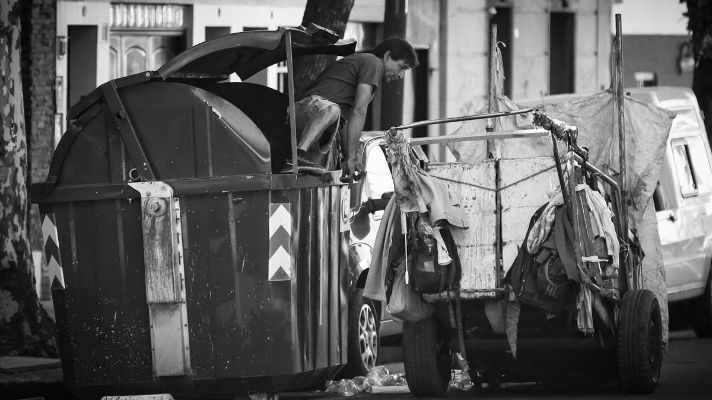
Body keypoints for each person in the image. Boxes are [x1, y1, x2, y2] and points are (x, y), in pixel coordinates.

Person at [282, 37, 419, 181]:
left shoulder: (365, 75)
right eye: (402, 67)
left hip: (319, 122)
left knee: (318, 179)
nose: (401, 76)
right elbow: (359, 111)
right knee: (333, 110)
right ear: (387, 56)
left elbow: (346, 122)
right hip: (305, 108)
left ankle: (296, 162)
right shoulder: (373, 63)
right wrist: (352, 155)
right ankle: (297, 156)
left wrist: (350, 159)